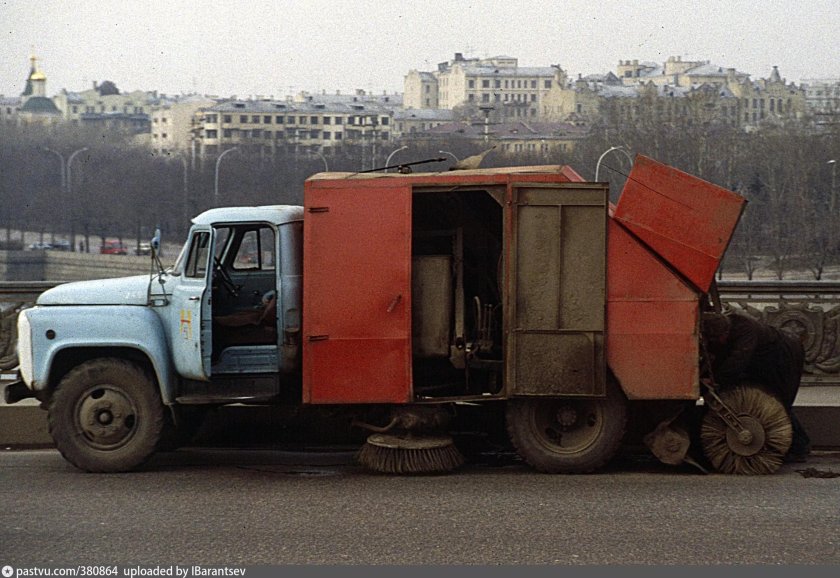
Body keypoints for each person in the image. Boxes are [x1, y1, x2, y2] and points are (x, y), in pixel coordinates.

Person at [702, 311, 811, 462]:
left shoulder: (745, 330)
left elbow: (737, 362)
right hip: (765, 360)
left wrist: (715, 380)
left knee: (779, 402)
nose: (720, 340)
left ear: (727, 331)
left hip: (786, 356)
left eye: (721, 337)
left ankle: (799, 447)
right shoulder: (726, 329)